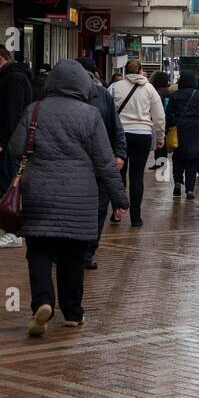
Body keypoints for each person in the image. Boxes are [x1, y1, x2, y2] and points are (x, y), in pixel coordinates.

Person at [10, 60, 129, 338]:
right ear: (83, 86)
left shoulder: (35, 110)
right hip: (79, 199)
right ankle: (73, 314)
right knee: (72, 256)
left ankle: (42, 302)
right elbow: (104, 162)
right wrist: (120, 200)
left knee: (38, 251)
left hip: (38, 192)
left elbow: (16, 147)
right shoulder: (90, 115)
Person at [0, 43, 33, 248]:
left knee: (9, 188)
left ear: (0, 59)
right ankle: (10, 231)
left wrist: (1, 142)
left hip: (9, 145)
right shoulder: (13, 78)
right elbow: (9, 108)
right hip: (8, 142)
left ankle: (14, 233)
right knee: (7, 187)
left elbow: (14, 114)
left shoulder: (13, 79)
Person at [75, 57, 125, 268]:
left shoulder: (102, 95)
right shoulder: (58, 99)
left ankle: (88, 251)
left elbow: (116, 128)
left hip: (100, 164)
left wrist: (119, 154)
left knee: (98, 209)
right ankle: (69, 250)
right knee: (73, 209)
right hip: (73, 166)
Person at [109, 59, 165, 228]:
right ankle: (136, 217)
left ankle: (117, 211)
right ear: (140, 70)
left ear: (125, 71)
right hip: (142, 135)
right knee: (137, 176)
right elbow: (159, 116)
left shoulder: (114, 87)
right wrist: (160, 137)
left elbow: (106, 111)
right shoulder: (149, 89)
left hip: (120, 135)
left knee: (119, 175)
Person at [166, 69, 199, 199]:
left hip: (179, 128)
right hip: (196, 129)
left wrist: (168, 129)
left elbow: (168, 113)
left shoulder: (175, 95)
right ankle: (190, 189)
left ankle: (177, 182)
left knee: (178, 157)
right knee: (193, 159)